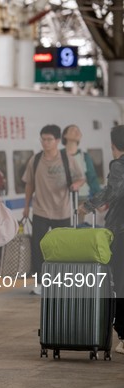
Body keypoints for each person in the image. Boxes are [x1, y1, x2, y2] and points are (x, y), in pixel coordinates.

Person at [22, 124, 85, 295]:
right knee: (39, 248)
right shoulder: (35, 160)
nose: (45, 142)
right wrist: (26, 207)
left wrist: (75, 185)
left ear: (58, 141)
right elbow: (30, 184)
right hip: (41, 211)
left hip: (62, 211)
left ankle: (62, 281)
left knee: (62, 249)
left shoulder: (67, 159)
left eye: (49, 139)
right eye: (43, 139)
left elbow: (81, 178)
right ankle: (41, 282)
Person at [79, 125, 124, 354]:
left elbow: (112, 192)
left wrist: (87, 205)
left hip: (121, 230)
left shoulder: (119, 165)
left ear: (113, 145)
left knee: (120, 281)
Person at [61, 124, 102, 223]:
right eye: (73, 130)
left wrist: (99, 200)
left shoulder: (85, 157)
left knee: (77, 227)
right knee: (63, 227)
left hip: (81, 199)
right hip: (61, 199)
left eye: (78, 130)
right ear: (65, 135)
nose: (77, 131)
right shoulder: (59, 156)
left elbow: (92, 179)